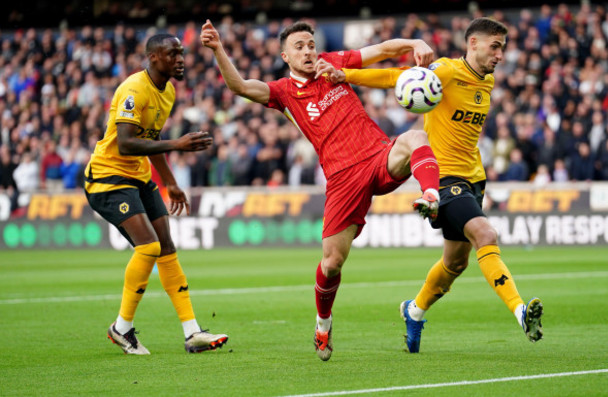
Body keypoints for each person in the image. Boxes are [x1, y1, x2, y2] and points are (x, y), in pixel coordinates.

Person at [201, 19, 441, 361]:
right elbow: (239, 86)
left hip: (377, 155)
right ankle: (323, 325)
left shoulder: (335, 62)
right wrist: (217, 49)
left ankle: (431, 196)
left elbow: (384, 50)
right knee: (331, 263)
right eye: (299, 46)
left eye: (311, 44)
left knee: (416, 137)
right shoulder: (283, 92)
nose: (308, 51)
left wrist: (414, 41)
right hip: (342, 179)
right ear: (286, 55)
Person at [331, 17, 543, 353]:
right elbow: (395, 77)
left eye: (502, 48)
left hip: (474, 178)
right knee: (485, 235)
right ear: (472, 43)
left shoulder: (485, 81)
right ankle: (520, 312)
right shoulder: (444, 71)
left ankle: (413, 311)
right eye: (495, 46)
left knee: (455, 263)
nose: (500, 55)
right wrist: (347, 75)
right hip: (443, 178)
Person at [83, 34, 228, 355]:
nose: (180, 58)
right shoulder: (134, 90)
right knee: (148, 246)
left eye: (181, 53)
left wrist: (171, 181)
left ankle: (192, 333)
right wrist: (177, 145)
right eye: (172, 53)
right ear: (153, 58)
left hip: (139, 176)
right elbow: (126, 143)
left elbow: (152, 137)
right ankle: (121, 328)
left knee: (166, 247)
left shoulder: (169, 90)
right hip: (108, 177)